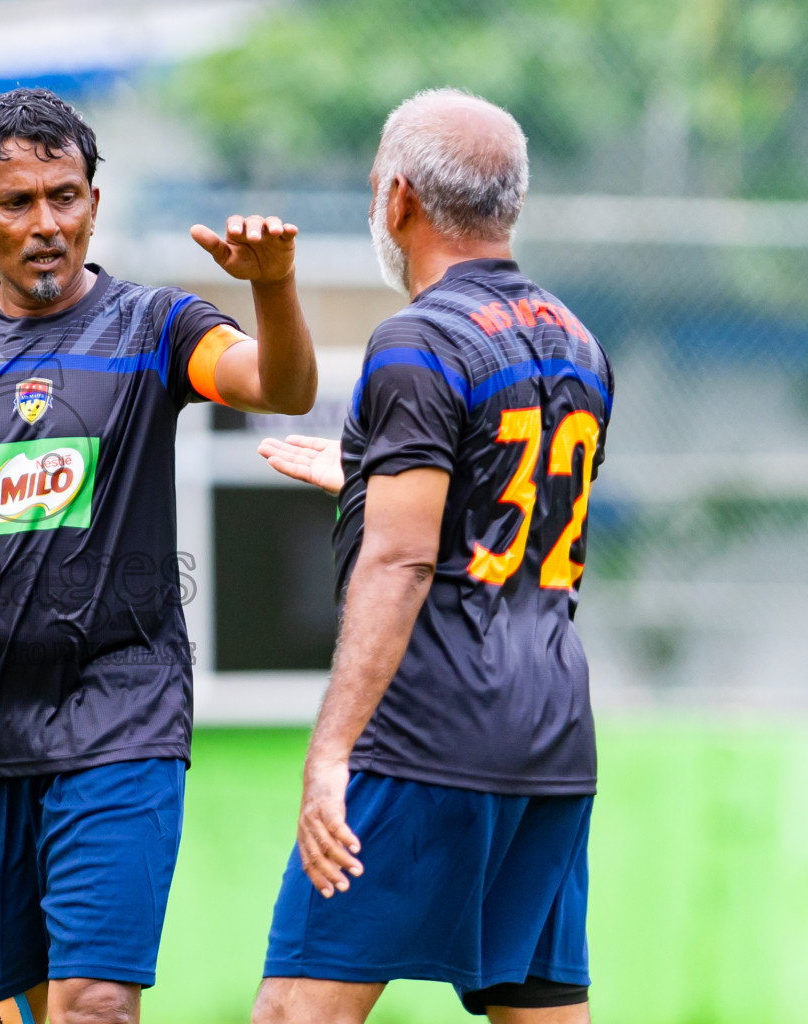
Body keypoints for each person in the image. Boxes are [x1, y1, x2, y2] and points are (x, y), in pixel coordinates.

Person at [0, 87, 319, 1024]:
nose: (47, 223)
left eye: (66, 196)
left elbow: (281, 385)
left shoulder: (157, 328)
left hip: (124, 710)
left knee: (94, 1000)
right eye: (18, 204)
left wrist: (272, 284)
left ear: (95, 203)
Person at [252, 89, 614, 1024]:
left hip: (429, 732)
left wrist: (331, 751)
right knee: (539, 1008)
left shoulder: (415, 341)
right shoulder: (576, 339)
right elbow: (510, 519)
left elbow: (403, 564)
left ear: (398, 198)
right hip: (552, 735)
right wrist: (371, 481)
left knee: (296, 1006)